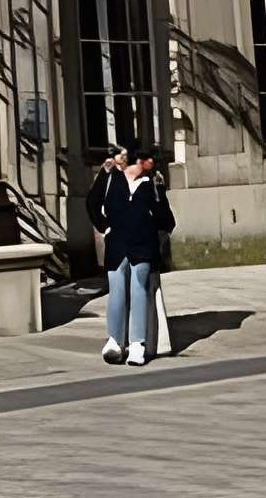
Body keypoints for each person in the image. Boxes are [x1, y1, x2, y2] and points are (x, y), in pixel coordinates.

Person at [90, 141, 173, 365]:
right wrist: (104, 226)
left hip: (143, 244)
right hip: (116, 244)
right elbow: (93, 202)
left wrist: (153, 228)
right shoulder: (110, 177)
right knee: (116, 292)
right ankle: (115, 341)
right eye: (150, 159)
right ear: (141, 159)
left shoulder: (153, 183)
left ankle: (137, 344)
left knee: (139, 290)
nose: (153, 163)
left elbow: (166, 218)